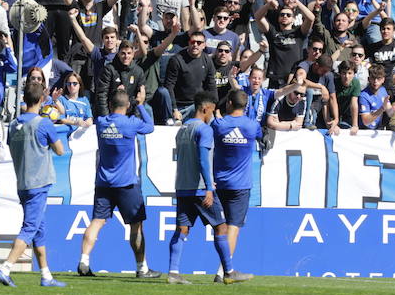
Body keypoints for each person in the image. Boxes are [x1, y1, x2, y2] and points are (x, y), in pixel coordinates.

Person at [167, 91, 253, 285]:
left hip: (182, 187)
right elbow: (204, 161)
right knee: (222, 227)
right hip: (199, 189)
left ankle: (173, 272)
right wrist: (208, 187)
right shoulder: (204, 130)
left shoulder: (182, 129)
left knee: (182, 230)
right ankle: (229, 272)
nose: (213, 116)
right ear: (205, 108)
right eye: (212, 111)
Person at [77, 89, 160, 278]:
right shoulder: (131, 124)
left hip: (104, 183)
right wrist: (140, 104)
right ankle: (142, 268)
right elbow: (150, 126)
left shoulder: (101, 123)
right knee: (136, 225)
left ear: (111, 105)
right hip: (126, 184)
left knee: (97, 222)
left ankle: (84, 260)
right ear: (128, 106)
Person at [0, 82, 66, 288]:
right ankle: (6, 268)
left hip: (22, 182)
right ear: (42, 99)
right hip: (39, 182)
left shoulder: (15, 123)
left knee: (39, 229)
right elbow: (60, 150)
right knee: (29, 228)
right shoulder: (43, 124)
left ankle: (46, 275)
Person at [210, 89, 262, 282]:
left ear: (229, 103)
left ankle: (223, 270)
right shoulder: (251, 125)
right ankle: (223, 271)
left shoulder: (219, 124)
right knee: (233, 226)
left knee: (220, 227)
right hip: (240, 185)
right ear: (245, 106)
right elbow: (260, 134)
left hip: (219, 183)